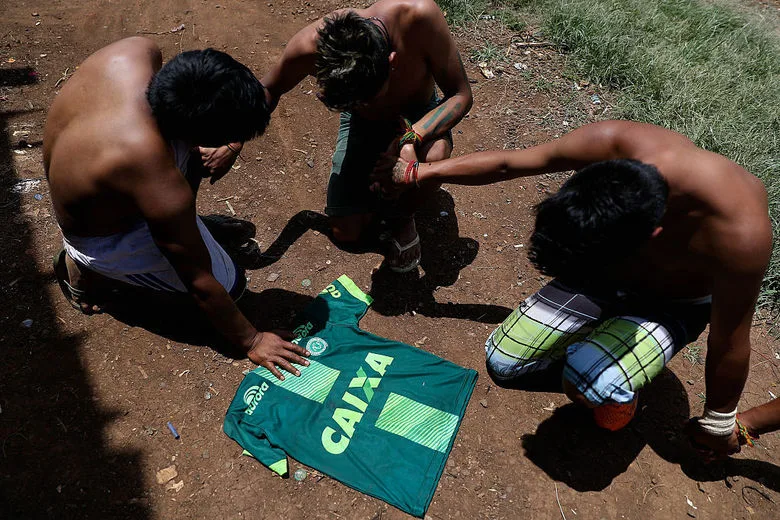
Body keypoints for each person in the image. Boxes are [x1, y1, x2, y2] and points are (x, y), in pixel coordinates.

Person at [373, 120, 772, 458]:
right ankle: (603, 352)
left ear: (653, 235)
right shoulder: (616, 142)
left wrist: (721, 422)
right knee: (504, 361)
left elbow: (729, 339)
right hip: (607, 277)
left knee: (594, 382)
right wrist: (419, 172)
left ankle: (614, 382)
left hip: (670, 305)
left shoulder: (740, 233)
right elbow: (509, 164)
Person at [44, 37, 309, 379]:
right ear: (198, 131)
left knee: (185, 190)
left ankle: (183, 228)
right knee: (229, 286)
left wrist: (229, 141)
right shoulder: (154, 173)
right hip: (102, 235)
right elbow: (198, 279)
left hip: (90, 177)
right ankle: (83, 268)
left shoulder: (136, 53)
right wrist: (252, 340)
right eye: (225, 135)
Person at [256, 0, 472, 272]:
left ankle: (402, 216)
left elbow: (461, 95)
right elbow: (268, 87)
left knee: (434, 156)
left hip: (419, 117)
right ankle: (383, 189)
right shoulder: (311, 46)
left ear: (391, 62)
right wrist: (231, 139)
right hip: (363, 126)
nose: (367, 104)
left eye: (371, 97)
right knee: (345, 231)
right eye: (355, 102)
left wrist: (410, 139)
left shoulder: (419, 17)